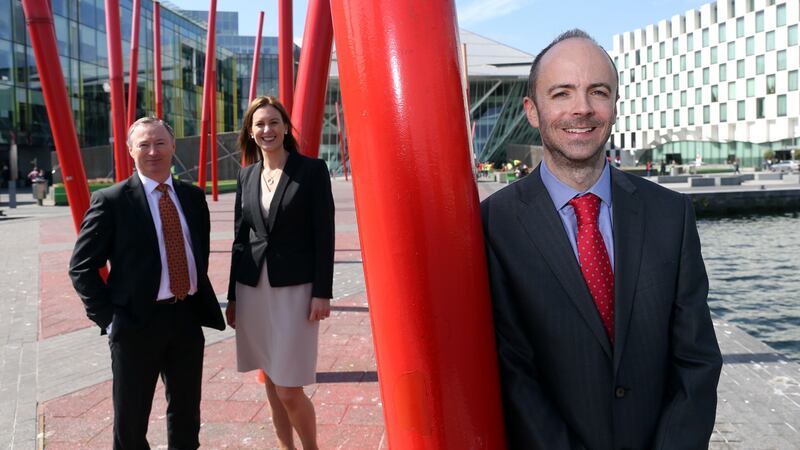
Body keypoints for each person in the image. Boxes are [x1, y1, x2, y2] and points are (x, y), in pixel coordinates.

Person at [480, 30, 722, 449]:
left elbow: (696, 360)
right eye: (561, 93)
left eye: (598, 91)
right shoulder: (494, 224)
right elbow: (512, 372)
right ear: (532, 111)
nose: (583, 109)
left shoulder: (671, 215)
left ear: (613, 105)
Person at [69, 117, 225, 449]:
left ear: (173, 147)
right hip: (135, 323)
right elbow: (82, 266)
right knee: (131, 421)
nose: (153, 151)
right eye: (143, 145)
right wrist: (109, 320)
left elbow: (199, 252)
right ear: (130, 151)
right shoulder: (111, 201)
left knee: (186, 414)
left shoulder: (193, 197)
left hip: (185, 318)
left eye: (159, 143)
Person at [226, 96, 334, 450]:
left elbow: (324, 234)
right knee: (270, 380)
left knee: (289, 386)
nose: (266, 129)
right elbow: (240, 239)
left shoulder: (312, 171)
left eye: (273, 122)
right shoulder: (247, 175)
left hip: (296, 290)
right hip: (253, 288)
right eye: (259, 124)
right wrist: (232, 297)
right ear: (250, 132)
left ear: (286, 127)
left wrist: (323, 291)